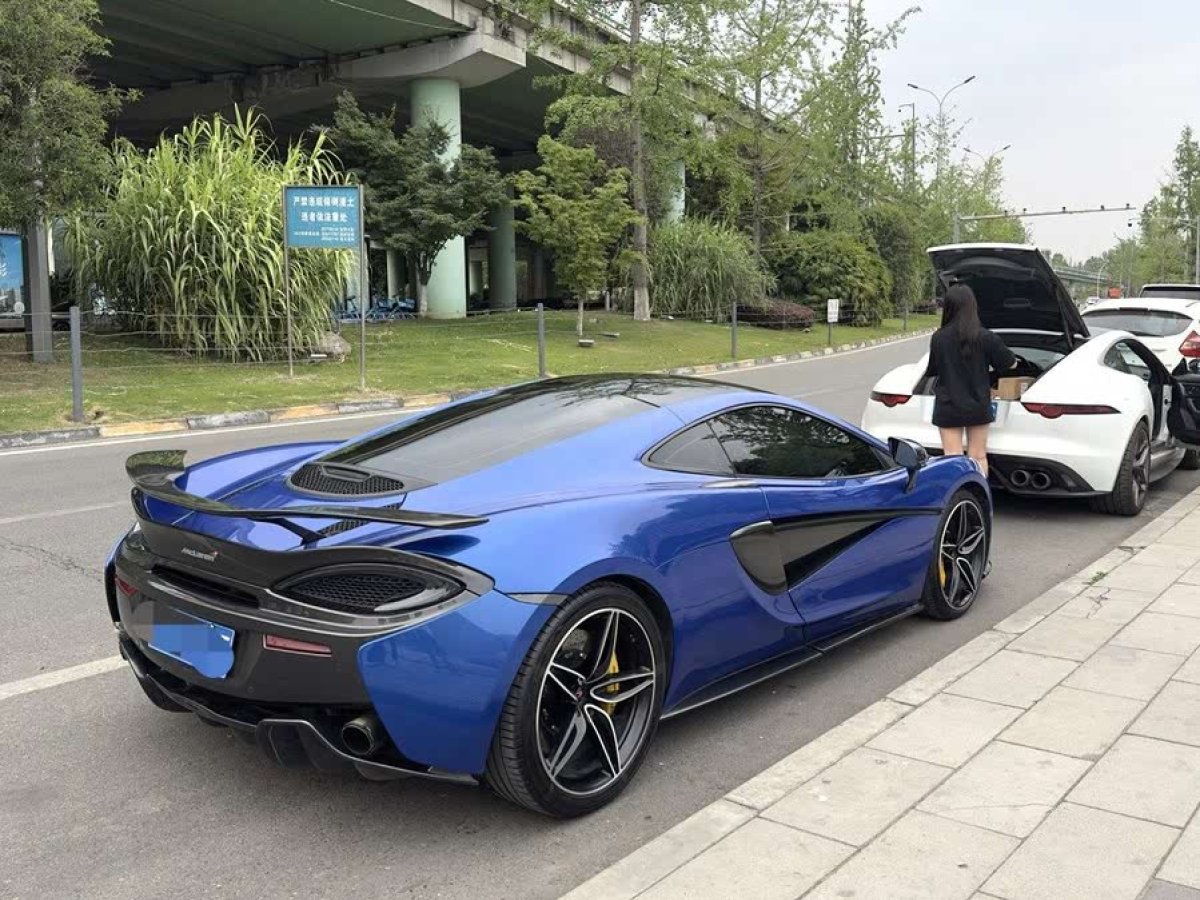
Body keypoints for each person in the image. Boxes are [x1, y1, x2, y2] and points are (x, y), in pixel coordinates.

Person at [923, 282, 1016, 477]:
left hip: (948, 404)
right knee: (978, 456)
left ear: (948, 307)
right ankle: (980, 493)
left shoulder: (939, 338)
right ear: (973, 306)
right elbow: (1009, 363)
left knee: (952, 457)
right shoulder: (986, 337)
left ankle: (958, 494)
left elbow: (933, 370)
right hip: (978, 403)